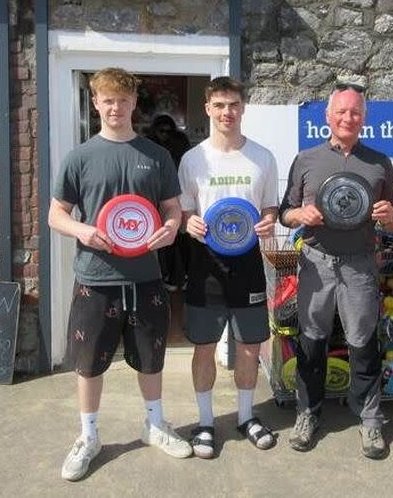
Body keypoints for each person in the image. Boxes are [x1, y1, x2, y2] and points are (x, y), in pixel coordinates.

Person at [49, 67, 192, 482]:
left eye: (124, 100)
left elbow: (171, 208)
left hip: (145, 275)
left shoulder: (156, 155)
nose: (116, 107)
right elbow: (56, 215)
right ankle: (89, 436)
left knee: (151, 357)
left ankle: (154, 425)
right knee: (89, 364)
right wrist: (83, 230)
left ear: (134, 105)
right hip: (95, 277)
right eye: (108, 100)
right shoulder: (79, 158)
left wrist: (170, 229)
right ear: (95, 103)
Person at [279, 82, 393, 459]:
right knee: (311, 341)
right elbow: (285, 212)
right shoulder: (306, 159)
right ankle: (307, 413)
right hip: (316, 263)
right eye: (342, 111)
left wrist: (390, 217)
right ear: (328, 117)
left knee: (363, 343)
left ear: (364, 119)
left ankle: (369, 419)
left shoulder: (380, 162)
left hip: (360, 266)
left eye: (356, 112)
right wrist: (300, 214)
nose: (348, 118)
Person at [178, 76, 279, 458]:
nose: (227, 112)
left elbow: (269, 207)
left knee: (251, 347)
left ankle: (246, 416)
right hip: (205, 266)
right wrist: (188, 221)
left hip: (249, 265)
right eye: (219, 105)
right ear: (208, 109)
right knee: (204, 348)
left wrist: (269, 221)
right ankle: (205, 422)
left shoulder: (263, 157)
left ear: (242, 109)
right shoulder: (193, 159)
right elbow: (184, 210)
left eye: (233, 105)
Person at [147, 114, 192, 292]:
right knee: (167, 242)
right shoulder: (151, 147)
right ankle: (169, 276)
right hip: (162, 199)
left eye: (167, 130)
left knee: (182, 241)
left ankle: (178, 276)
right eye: (161, 130)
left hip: (178, 196)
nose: (165, 134)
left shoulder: (178, 143)